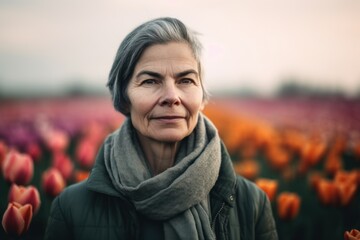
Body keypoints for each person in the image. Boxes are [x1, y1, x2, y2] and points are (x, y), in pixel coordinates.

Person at [44, 17, 278, 240]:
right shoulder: (71, 208)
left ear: (202, 97)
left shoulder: (252, 204)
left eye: (186, 80)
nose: (171, 97)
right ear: (124, 97)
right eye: (150, 81)